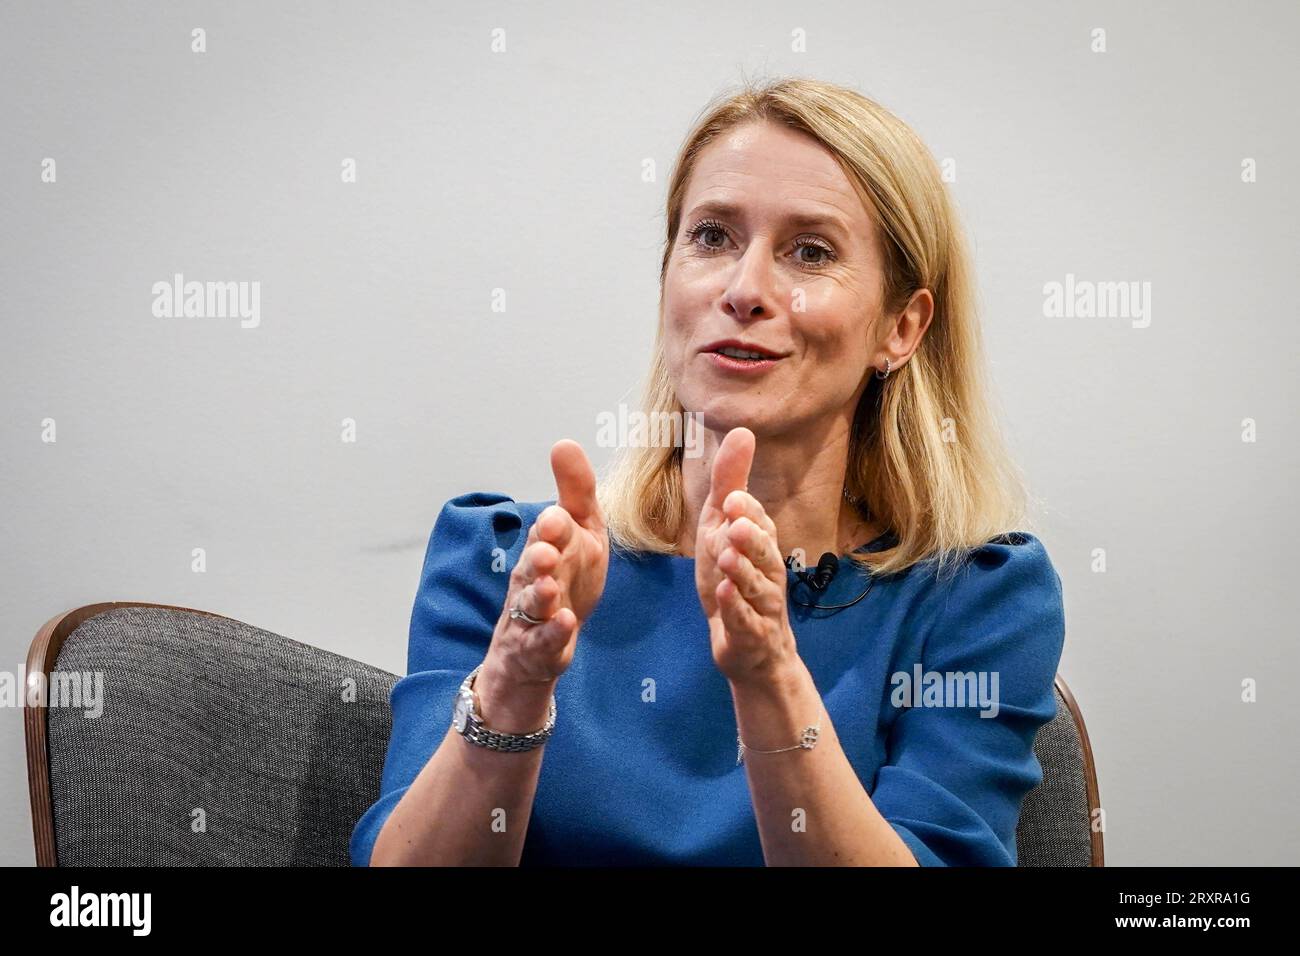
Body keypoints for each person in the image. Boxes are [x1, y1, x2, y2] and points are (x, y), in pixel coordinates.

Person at [351, 77, 1066, 866]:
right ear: (667, 280)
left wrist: (769, 680)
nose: (744, 289)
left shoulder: (976, 603)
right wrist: (516, 686)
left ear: (900, 327)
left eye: (810, 252)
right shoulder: (505, 561)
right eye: (713, 237)